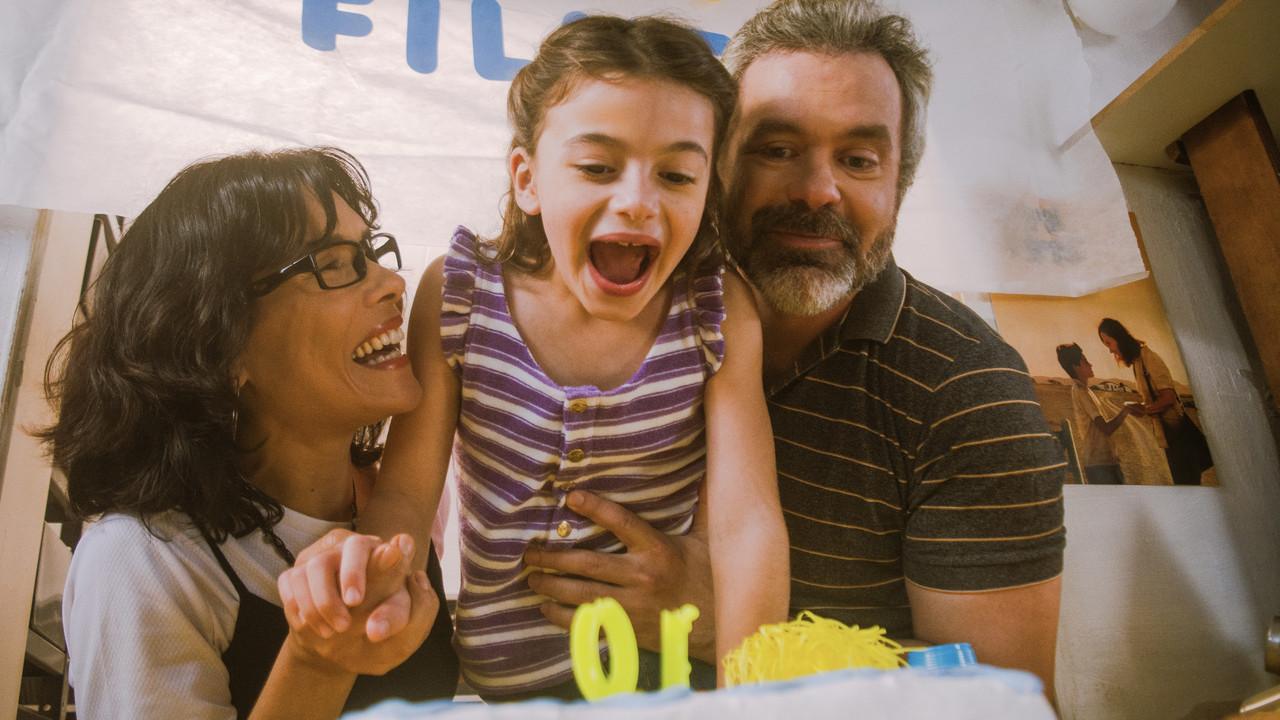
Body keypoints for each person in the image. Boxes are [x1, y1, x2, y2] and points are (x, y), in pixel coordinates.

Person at [520, 0, 1067, 700]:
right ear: (715, 165)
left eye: (859, 160)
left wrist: (738, 631)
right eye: (777, 150)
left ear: (899, 187)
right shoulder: (620, 308)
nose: (816, 191)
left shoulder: (967, 390)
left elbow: (1004, 697)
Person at [292, 14, 788, 701]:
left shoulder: (716, 309)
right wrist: (377, 573)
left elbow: (747, 524)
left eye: (677, 174)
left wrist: (750, 701)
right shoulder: (460, 294)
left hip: (668, 685)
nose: (638, 201)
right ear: (527, 179)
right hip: (507, 694)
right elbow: (406, 492)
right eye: (597, 167)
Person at [42, 147, 458, 719]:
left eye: (370, 251)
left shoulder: (401, 504)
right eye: (333, 263)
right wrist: (317, 663)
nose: (392, 282)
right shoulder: (144, 559)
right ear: (219, 341)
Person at [1098, 318, 1212, 486]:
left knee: (1187, 486)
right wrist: (1142, 407)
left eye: (1109, 343)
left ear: (1119, 337)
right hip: (1169, 437)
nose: (1110, 350)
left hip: (1179, 436)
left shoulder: (1148, 357)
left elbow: (1169, 397)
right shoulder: (1138, 362)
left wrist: (1145, 410)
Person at [1056, 342, 1135, 484]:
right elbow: (1106, 428)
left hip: (1102, 462)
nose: (1090, 365)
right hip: (1100, 464)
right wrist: (1127, 409)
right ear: (1076, 367)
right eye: (1085, 362)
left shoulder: (1082, 389)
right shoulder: (1081, 391)